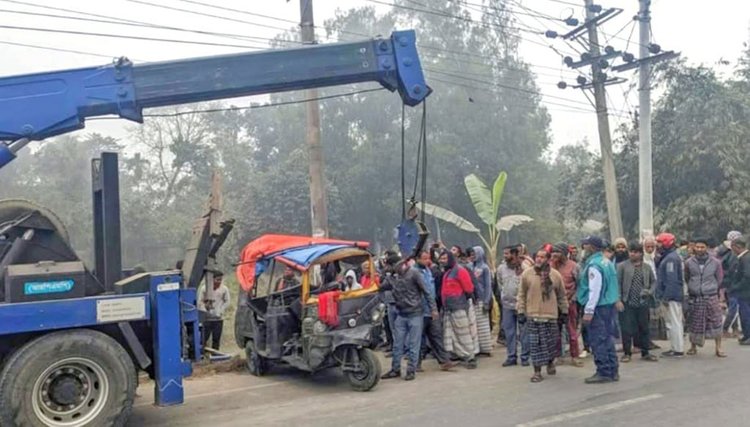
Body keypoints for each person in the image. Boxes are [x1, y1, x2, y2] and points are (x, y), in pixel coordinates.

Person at [380, 257, 438, 381]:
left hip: (415, 314)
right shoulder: (393, 277)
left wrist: (433, 309)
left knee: (413, 344)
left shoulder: (414, 273)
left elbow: (427, 292)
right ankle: (395, 369)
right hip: (402, 314)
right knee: (398, 344)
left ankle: (411, 370)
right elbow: (381, 287)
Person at [517, 247, 568, 383]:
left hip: (550, 316)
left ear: (548, 259)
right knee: (535, 345)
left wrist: (564, 311)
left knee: (550, 344)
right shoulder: (527, 274)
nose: (539, 259)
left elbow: (562, 295)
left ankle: (550, 362)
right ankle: (537, 372)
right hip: (533, 315)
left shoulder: (555, 275)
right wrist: (521, 311)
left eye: (542, 257)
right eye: (537, 256)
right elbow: (521, 294)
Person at [577, 236, 620, 384]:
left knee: (598, 340)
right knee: (608, 339)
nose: (583, 248)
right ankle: (613, 370)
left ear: (592, 247)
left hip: (598, 307)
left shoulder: (594, 265)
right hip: (608, 306)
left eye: (586, 245)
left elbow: (594, 290)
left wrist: (589, 311)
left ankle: (604, 371)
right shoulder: (607, 262)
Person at [617, 241, 659, 363]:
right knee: (626, 329)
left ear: (641, 253)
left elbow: (653, 282)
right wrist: (618, 300)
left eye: (635, 252)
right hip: (627, 302)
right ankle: (627, 353)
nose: (632, 254)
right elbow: (618, 284)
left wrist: (649, 291)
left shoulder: (646, 267)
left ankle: (645, 352)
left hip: (643, 302)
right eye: (631, 252)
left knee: (644, 328)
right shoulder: (622, 266)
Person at [684, 238, 726, 357]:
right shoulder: (689, 262)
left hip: (711, 297)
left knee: (716, 322)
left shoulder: (716, 262)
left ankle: (718, 348)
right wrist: (694, 288)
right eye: (697, 247)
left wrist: (712, 289)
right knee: (694, 323)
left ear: (706, 248)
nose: (699, 249)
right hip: (695, 297)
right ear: (694, 248)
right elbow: (687, 277)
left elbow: (719, 279)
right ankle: (693, 347)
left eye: (702, 247)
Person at [415, 251, 455, 371]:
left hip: (432, 309)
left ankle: (444, 361)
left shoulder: (428, 271)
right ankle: (416, 364)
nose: (427, 261)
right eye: (424, 259)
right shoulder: (414, 272)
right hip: (419, 310)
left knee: (436, 336)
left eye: (428, 258)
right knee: (418, 339)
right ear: (417, 259)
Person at [440, 250, 479, 369]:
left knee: (463, 332)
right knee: (453, 334)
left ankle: (470, 357)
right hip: (449, 308)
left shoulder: (460, 271)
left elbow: (469, 288)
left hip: (459, 306)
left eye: (445, 259)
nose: (443, 261)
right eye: (441, 259)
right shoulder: (447, 273)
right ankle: (460, 355)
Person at [550, 243, 583, 367]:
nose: (554, 255)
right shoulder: (550, 266)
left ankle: (575, 356)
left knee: (572, 331)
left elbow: (580, 285)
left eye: (557, 252)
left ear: (564, 253)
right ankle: (558, 356)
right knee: (556, 331)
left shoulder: (574, 266)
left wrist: (574, 299)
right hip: (554, 304)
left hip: (570, 303)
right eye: (553, 252)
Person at [498, 245, 530, 366]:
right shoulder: (501, 269)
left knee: (524, 332)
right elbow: (500, 284)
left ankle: (525, 357)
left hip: (522, 305)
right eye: (504, 254)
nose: (505, 256)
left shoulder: (525, 268)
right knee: (509, 332)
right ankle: (511, 357)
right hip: (507, 305)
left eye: (507, 254)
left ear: (515, 255)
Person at [655, 232, 686, 358]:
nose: (658, 245)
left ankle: (678, 349)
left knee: (674, 322)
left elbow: (671, 280)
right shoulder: (670, 257)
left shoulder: (671, 259)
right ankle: (675, 347)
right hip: (671, 295)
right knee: (672, 322)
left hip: (672, 296)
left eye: (660, 242)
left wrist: (666, 297)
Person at [198, 271, 231, 350]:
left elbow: (227, 301)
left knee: (216, 339)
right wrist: (204, 311)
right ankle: (203, 355)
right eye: (217, 280)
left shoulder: (224, 289)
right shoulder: (204, 288)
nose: (219, 282)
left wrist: (221, 310)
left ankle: (216, 356)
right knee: (204, 338)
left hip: (218, 318)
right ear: (212, 279)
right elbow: (200, 302)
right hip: (207, 319)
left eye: (220, 280)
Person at [727, 237, 750, 345]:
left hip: (745, 292)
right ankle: (746, 335)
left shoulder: (745, 258)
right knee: (743, 314)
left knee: (746, 314)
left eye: (733, 247)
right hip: (744, 292)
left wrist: (736, 286)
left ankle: (748, 335)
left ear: (738, 247)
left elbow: (747, 276)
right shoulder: (743, 258)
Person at [472, 246, 494, 356]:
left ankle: (486, 349)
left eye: (475, 253)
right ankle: (477, 348)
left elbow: (488, 286)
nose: (473, 256)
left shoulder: (485, 268)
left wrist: (486, 301)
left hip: (482, 300)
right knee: (475, 326)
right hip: (473, 300)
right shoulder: (471, 267)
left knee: (484, 326)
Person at [721, 231, 742, 337]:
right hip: (733, 285)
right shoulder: (734, 255)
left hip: (728, 284)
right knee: (734, 308)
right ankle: (725, 329)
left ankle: (735, 329)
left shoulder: (726, 252)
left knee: (733, 307)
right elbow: (734, 271)